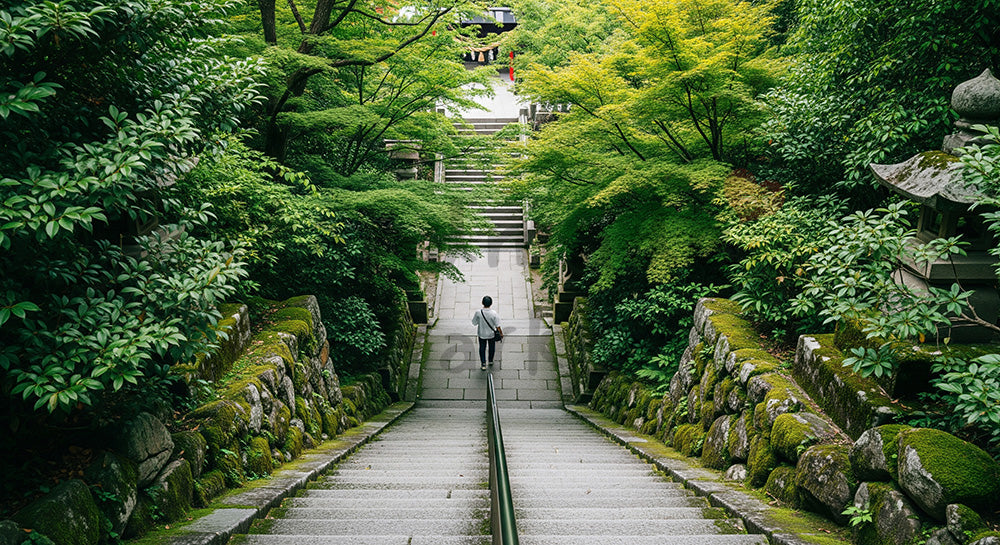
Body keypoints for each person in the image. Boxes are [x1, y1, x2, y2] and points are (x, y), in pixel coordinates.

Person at [472, 295, 503, 371]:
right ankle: (490, 360)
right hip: (491, 334)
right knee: (491, 347)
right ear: (491, 303)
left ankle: (483, 363)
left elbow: (474, 323)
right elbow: (498, 325)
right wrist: (501, 333)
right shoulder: (494, 313)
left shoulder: (478, 312)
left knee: (482, 348)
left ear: (482, 303)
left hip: (481, 334)